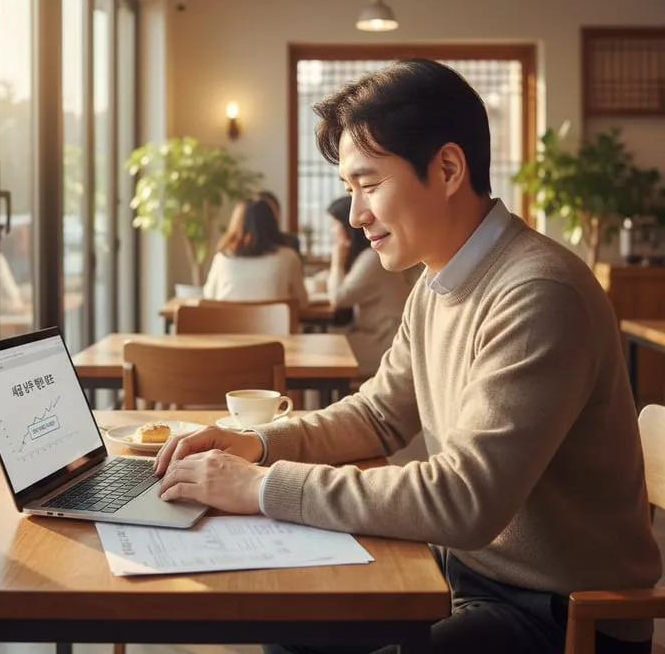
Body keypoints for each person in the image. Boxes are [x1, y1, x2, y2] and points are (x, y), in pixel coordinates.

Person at [155, 59, 661, 654]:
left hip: (560, 617)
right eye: (349, 189)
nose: (355, 214)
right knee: (290, 633)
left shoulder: (539, 293)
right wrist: (261, 443)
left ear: (448, 168)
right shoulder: (438, 280)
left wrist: (262, 487)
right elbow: (378, 415)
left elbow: (463, 499)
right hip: (467, 576)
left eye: (369, 185)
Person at [326, 194, 418, 376]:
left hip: (382, 342)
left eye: (334, 225)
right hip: (374, 336)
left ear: (346, 227)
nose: (331, 231)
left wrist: (336, 260)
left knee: (325, 351)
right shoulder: (367, 257)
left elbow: (338, 298)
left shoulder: (372, 259)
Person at [202, 197, 308, 306]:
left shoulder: (223, 258)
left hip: (228, 322)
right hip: (274, 322)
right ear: (273, 223)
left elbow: (209, 297)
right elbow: (302, 303)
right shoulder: (288, 257)